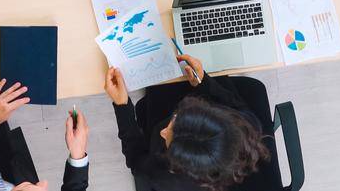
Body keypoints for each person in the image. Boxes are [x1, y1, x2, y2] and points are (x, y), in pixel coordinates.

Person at [104, 55, 270, 190]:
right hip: (202, 93)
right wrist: (203, 82)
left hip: (161, 111)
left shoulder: (167, 177)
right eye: (176, 119)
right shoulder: (247, 126)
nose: (163, 133)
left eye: (169, 140)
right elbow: (234, 103)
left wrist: (122, 106)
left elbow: (136, 159)